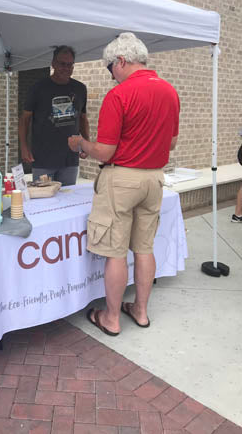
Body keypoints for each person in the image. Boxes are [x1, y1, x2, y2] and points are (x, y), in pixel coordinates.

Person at [68, 32, 180, 335]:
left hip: (122, 178)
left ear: (120, 61)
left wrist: (82, 143)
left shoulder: (119, 95)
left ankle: (112, 318)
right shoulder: (169, 91)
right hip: (155, 177)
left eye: (109, 69)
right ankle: (141, 312)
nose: (110, 77)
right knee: (144, 248)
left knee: (116, 252)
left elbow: (105, 151)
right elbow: (170, 144)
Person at [19, 45, 90, 186]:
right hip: (43, 158)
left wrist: (87, 143)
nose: (66, 68)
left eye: (70, 64)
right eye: (62, 64)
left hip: (70, 158)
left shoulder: (80, 88)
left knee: (68, 199)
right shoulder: (38, 88)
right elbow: (24, 119)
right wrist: (24, 147)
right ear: (53, 64)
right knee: (42, 200)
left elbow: (83, 118)